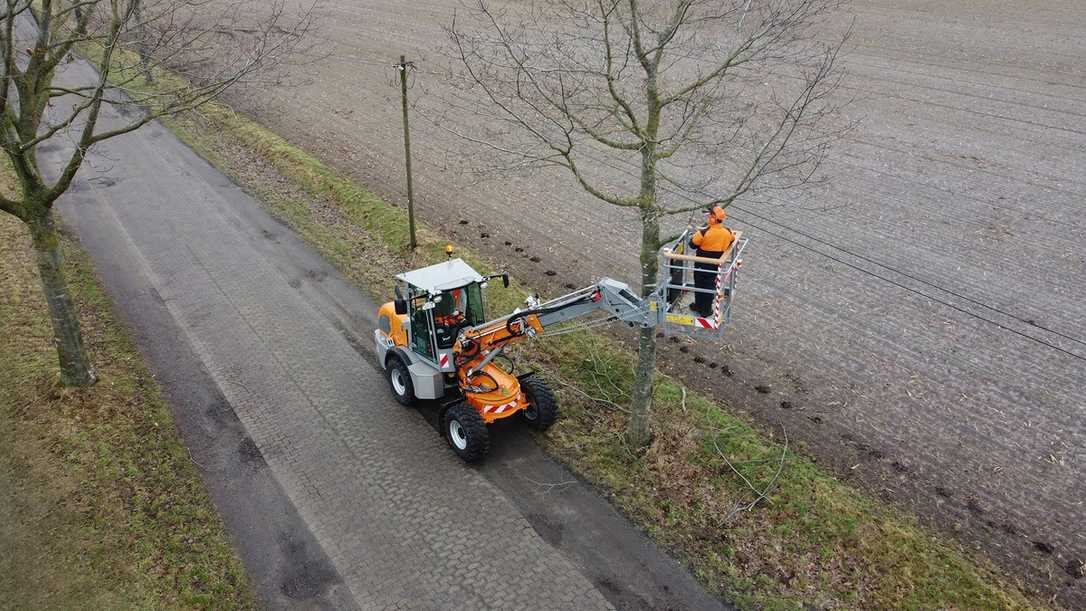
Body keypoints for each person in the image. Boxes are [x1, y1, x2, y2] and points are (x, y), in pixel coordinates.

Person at [689, 206, 735, 317]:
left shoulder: (704, 232)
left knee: (700, 285)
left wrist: (696, 234)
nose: (708, 218)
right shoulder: (727, 232)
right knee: (710, 285)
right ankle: (706, 308)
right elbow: (732, 240)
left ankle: (702, 308)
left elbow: (692, 245)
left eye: (710, 216)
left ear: (713, 219)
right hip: (716, 264)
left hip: (701, 264)